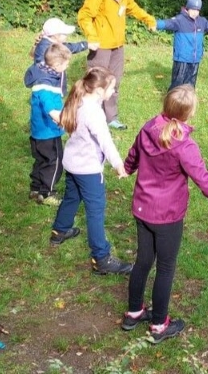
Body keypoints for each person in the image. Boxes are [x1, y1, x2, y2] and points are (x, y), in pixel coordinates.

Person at [121, 85, 208, 344]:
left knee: (143, 260)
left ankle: (133, 312)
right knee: (165, 267)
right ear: (189, 114)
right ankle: (158, 325)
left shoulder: (148, 127)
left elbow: (134, 154)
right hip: (167, 216)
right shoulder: (185, 145)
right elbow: (205, 181)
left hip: (143, 209)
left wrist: (127, 168)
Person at [48, 67, 134, 275]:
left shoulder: (78, 100)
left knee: (71, 197)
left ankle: (59, 230)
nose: (113, 92)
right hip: (88, 170)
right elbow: (105, 141)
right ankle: (101, 258)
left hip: (73, 163)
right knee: (95, 212)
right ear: (99, 90)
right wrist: (118, 164)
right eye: (111, 88)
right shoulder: (94, 112)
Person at [77, 0, 157, 130]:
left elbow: (132, 8)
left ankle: (111, 117)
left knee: (114, 82)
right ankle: (89, 117)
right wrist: (92, 36)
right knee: (96, 82)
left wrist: (148, 19)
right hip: (101, 45)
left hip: (117, 44)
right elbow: (84, 15)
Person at [24, 43, 72, 206]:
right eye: (66, 64)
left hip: (38, 132)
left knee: (40, 160)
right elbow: (49, 106)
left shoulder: (42, 74)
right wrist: (61, 119)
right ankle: (47, 192)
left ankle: (35, 188)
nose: (68, 66)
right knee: (54, 161)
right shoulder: (46, 84)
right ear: (57, 64)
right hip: (49, 133)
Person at [30, 18, 88, 94]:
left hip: (53, 86)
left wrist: (86, 44)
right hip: (49, 87)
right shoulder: (47, 49)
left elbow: (70, 47)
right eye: (64, 34)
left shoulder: (52, 44)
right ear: (56, 35)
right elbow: (42, 71)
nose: (67, 36)